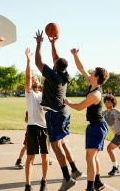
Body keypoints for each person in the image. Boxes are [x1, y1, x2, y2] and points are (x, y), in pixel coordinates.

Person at [34, 30, 81, 191]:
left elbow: (38, 62)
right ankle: (74, 169)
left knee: (55, 146)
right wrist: (53, 44)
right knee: (61, 142)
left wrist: (39, 43)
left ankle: (67, 178)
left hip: (55, 114)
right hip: (64, 112)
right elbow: (57, 59)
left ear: (55, 66)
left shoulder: (53, 76)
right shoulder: (65, 75)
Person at [64, 48, 110, 191]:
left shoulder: (95, 94)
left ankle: (90, 187)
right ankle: (98, 182)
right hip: (95, 126)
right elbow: (81, 68)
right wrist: (75, 55)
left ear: (96, 77)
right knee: (92, 157)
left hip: (97, 127)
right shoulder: (93, 84)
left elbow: (78, 107)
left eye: (93, 73)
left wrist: (66, 101)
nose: (90, 74)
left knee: (90, 157)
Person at [24, 48, 49, 191]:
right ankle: (28, 184)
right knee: (30, 157)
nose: (34, 79)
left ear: (39, 83)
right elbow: (28, 76)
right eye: (33, 78)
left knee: (45, 157)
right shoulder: (30, 94)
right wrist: (28, 60)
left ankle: (44, 182)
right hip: (32, 127)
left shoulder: (44, 95)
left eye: (36, 78)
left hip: (45, 128)